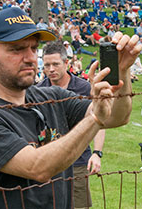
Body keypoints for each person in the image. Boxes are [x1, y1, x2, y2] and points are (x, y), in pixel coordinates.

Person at [0, 7, 141, 208]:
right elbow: (37, 167)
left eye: (34, 49)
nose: (31, 58)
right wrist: (95, 119)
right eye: (17, 49)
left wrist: (122, 72)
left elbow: (117, 117)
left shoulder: (53, 97)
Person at [37, 42, 106, 209]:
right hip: (49, 162)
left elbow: (99, 121)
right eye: (47, 65)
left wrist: (97, 153)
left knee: (79, 205)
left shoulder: (83, 88)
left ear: (66, 63)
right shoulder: (38, 91)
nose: (51, 69)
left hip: (78, 160)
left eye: (55, 64)